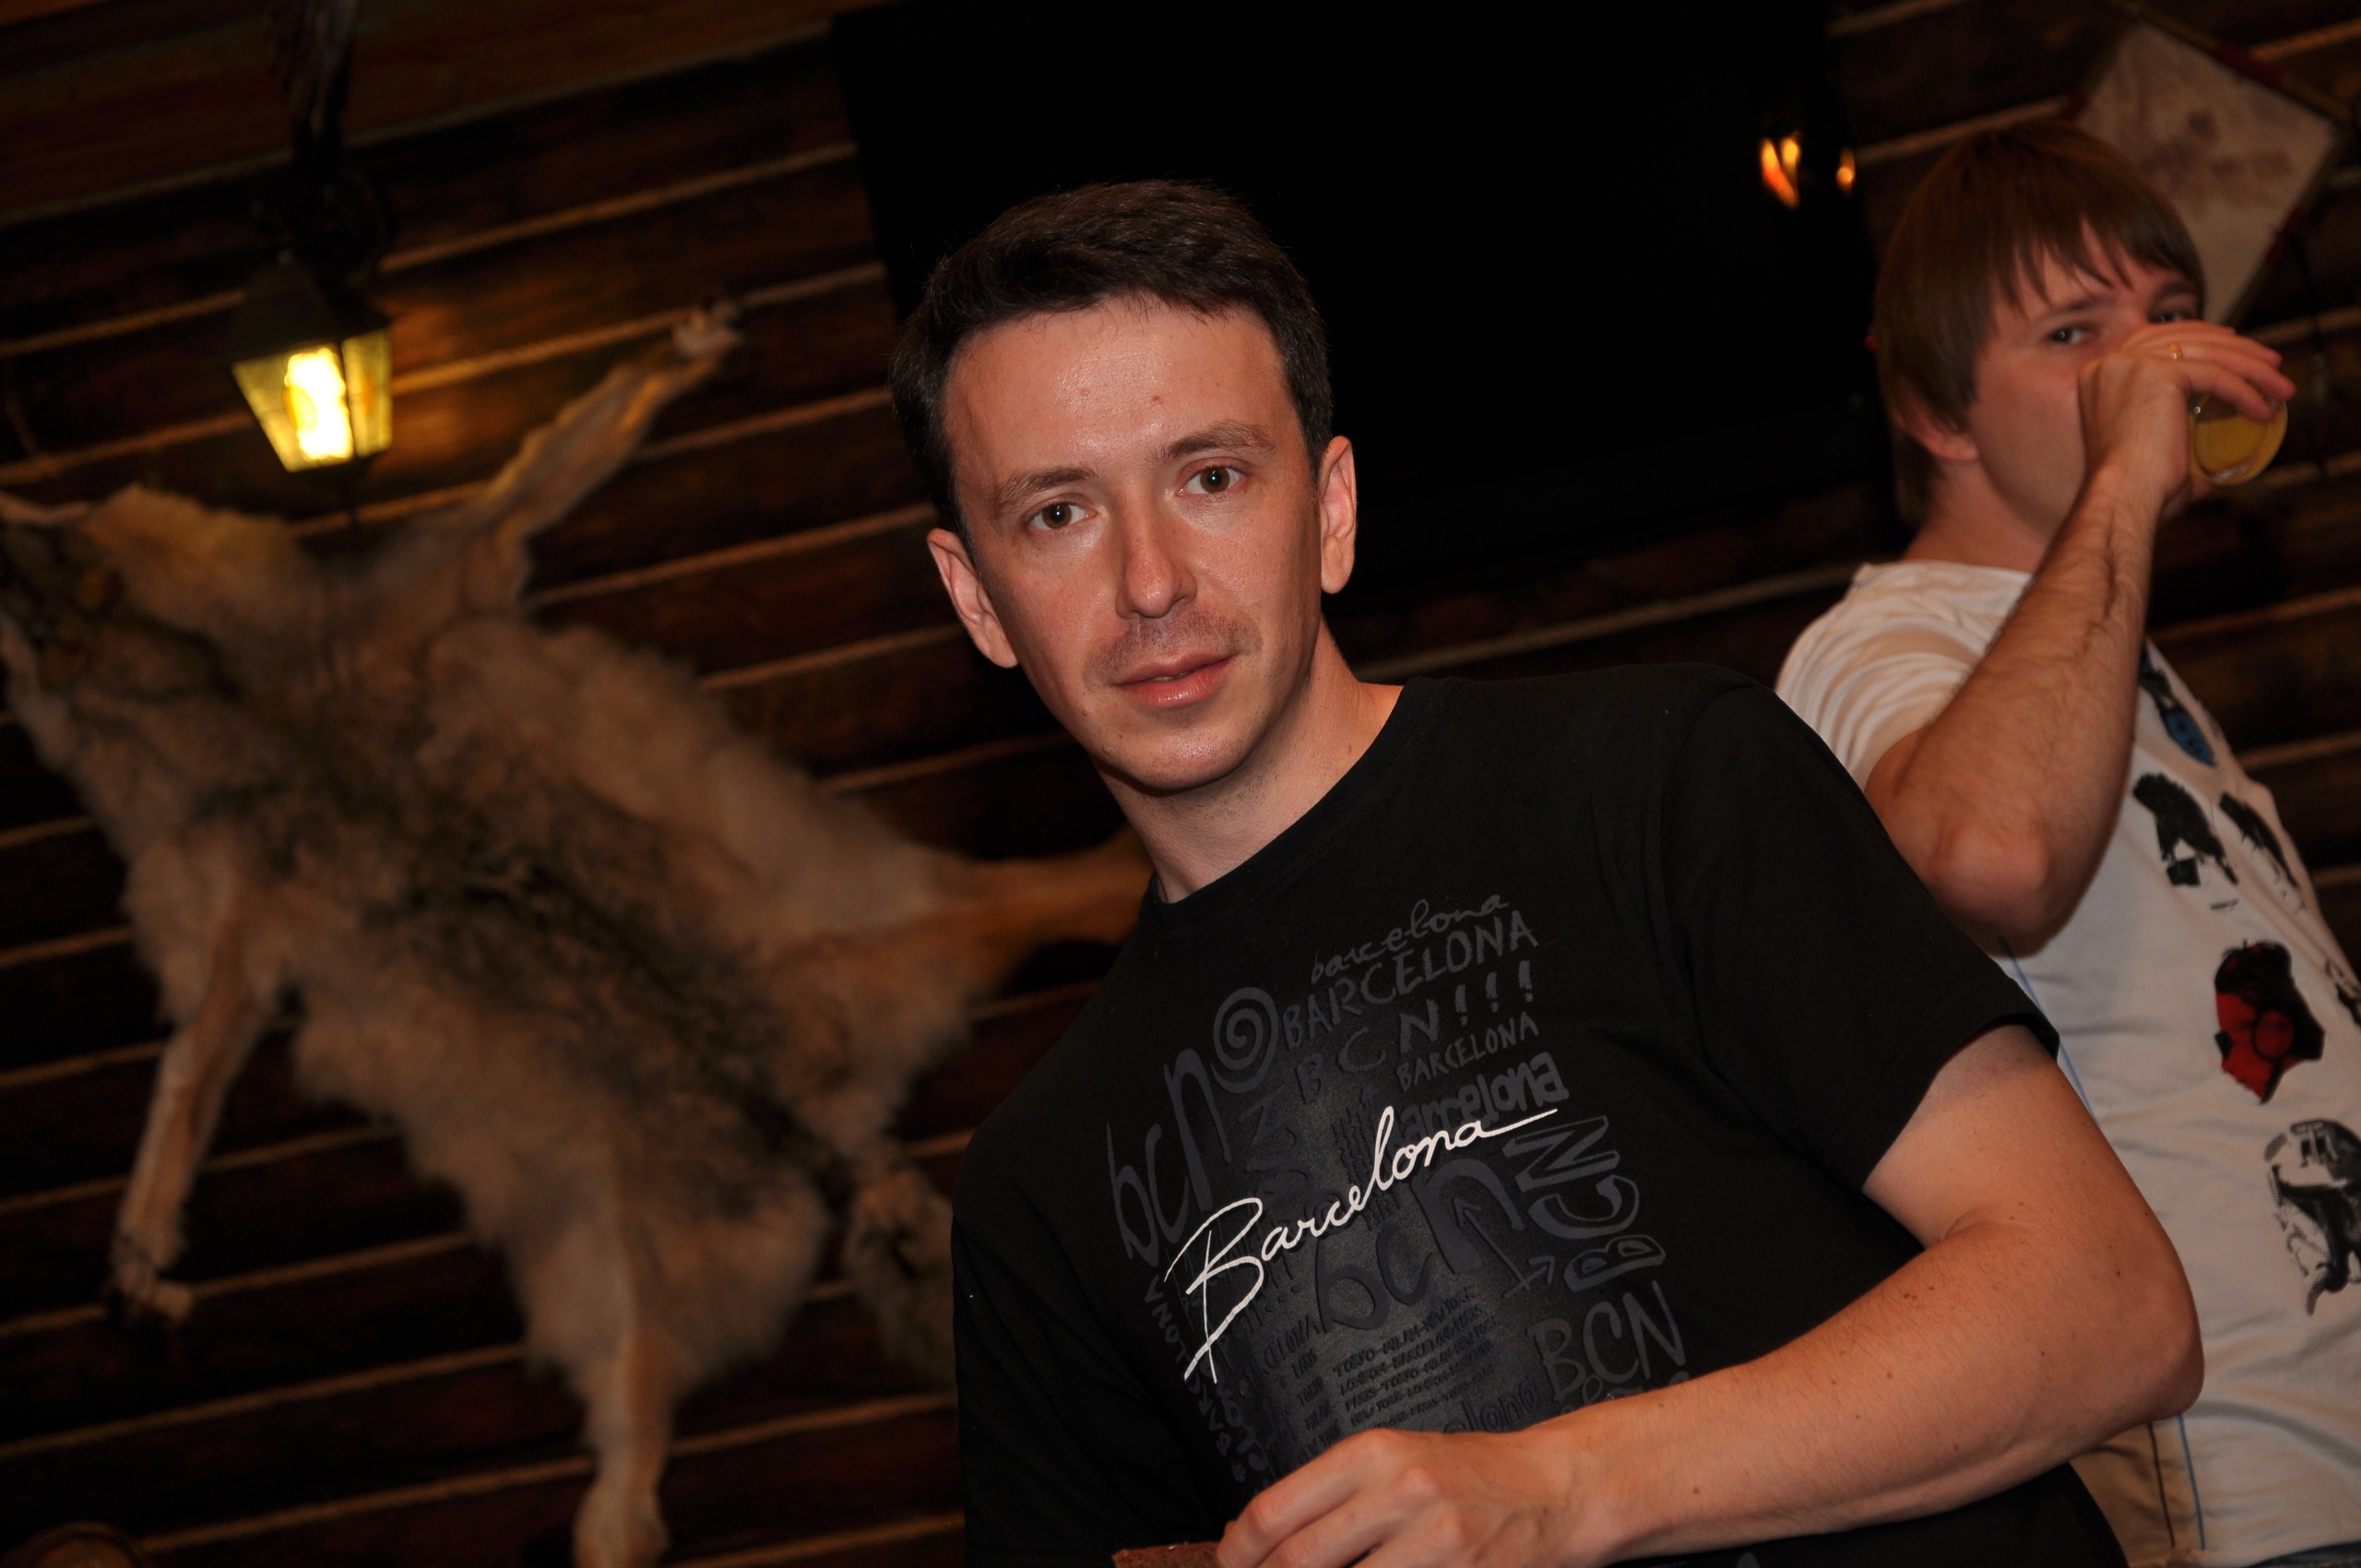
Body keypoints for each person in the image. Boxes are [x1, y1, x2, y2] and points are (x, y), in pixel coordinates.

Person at [897, 179, 2199, 1568]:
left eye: (1211, 477)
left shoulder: (1662, 779)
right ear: (977, 596)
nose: (1151, 582)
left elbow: (2110, 1301)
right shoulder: (1038, 1189)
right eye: (1057, 514)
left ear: (1331, 510)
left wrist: (1565, 1489)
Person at [1775, 124, 2361, 1567]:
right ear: (1940, 412)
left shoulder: (2117, 668)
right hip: (2229, 1489)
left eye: (2169, 314)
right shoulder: (1878, 643)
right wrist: (2125, 481)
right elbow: (1993, 857)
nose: (2145, 363)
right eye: (2075, 334)